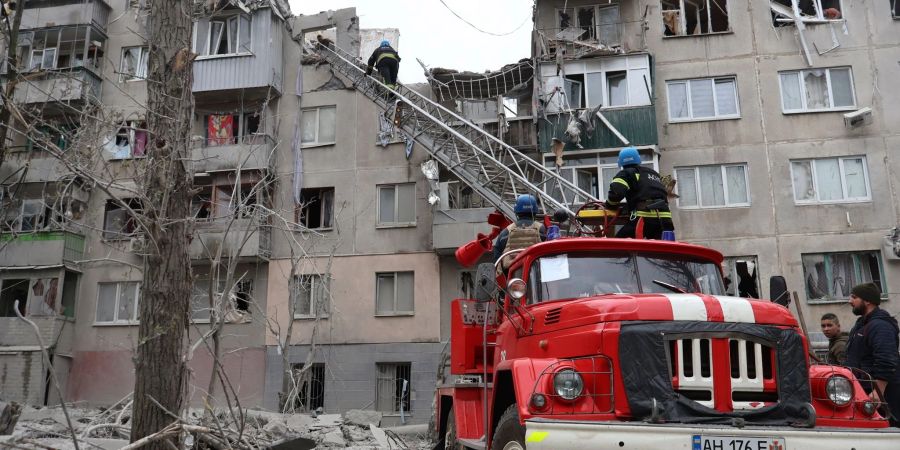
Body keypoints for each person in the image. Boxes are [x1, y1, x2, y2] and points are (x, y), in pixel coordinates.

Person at [845, 283, 900, 426]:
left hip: (881, 397)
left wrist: (877, 393)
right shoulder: (861, 325)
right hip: (863, 393)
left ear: (868, 301)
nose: (850, 301)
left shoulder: (881, 326)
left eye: (854, 297)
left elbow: (887, 359)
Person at [604, 147, 673, 239]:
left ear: (620, 162)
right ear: (638, 159)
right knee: (658, 250)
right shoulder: (654, 174)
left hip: (644, 218)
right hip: (665, 220)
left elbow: (616, 193)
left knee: (617, 244)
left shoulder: (626, 173)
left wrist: (609, 205)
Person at [493, 194, 545, 272]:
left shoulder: (506, 231)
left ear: (516, 212)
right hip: (537, 274)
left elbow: (497, 257)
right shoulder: (542, 229)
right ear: (535, 211)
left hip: (511, 277)